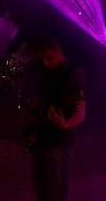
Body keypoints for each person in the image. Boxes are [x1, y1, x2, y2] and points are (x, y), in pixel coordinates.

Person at [22, 35, 86, 201]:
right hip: (40, 140)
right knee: (41, 191)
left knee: (55, 193)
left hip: (58, 142)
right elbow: (44, 101)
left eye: (49, 57)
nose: (45, 62)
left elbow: (81, 111)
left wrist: (65, 124)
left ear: (58, 50)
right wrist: (32, 113)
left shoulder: (73, 74)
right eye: (41, 59)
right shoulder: (45, 73)